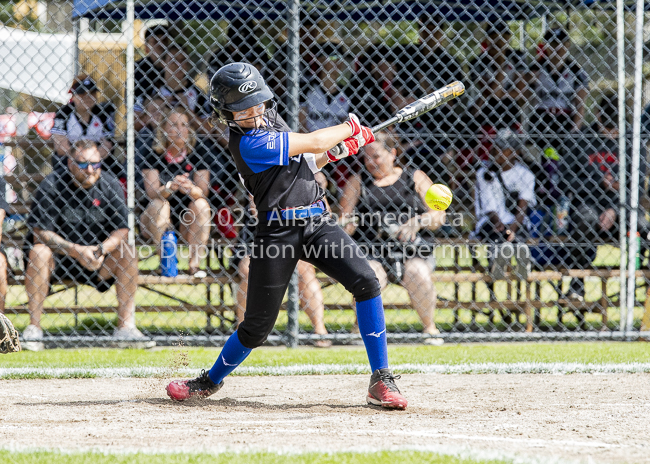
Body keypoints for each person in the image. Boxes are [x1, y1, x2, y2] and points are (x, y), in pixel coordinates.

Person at [166, 62, 408, 410]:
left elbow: (306, 161)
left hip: (317, 221)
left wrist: (339, 150)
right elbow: (311, 140)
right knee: (257, 327)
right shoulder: (249, 142)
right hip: (276, 231)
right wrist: (350, 128)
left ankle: (381, 378)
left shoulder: (269, 120)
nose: (254, 113)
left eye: (257, 104)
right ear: (227, 114)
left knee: (366, 281)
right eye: (243, 110)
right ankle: (209, 380)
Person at [23, 140, 150, 351]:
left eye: (95, 164)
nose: (90, 170)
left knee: (127, 250)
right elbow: (40, 232)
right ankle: (34, 330)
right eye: (83, 164)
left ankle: (125, 328)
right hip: (60, 260)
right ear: (70, 163)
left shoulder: (110, 184)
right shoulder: (52, 184)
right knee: (38, 252)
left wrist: (102, 249)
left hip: (98, 259)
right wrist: (77, 251)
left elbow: (122, 229)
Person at [339, 133, 446, 343]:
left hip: (412, 250)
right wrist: (347, 222)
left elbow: (438, 216)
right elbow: (345, 221)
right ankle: (362, 329)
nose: (371, 162)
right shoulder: (358, 182)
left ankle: (430, 328)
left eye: (376, 156)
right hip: (372, 249)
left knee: (418, 273)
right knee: (370, 276)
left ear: (392, 154)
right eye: (366, 157)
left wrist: (419, 221)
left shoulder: (415, 177)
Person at [564, 95, 648, 300]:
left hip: (622, 205)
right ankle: (577, 284)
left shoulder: (632, 140)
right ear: (598, 117)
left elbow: (637, 186)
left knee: (643, 227)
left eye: (615, 130)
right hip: (588, 202)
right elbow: (566, 180)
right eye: (607, 129)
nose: (612, 135)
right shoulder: (582, 139)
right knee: (585, 221)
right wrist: (599, 183)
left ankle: (642, 284)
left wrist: (615, 208)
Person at [139, 108, 212, 277]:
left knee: (201, 204)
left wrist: (190, 187)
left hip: (186, 220)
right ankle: (167, 262)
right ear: (164, 129)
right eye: (174, 124)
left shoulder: (198, 153)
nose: (180, 129)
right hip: (154, 220)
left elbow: (203, 191)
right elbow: (151, 193)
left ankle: (194, 265)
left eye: (184, 125)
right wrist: (170, 187)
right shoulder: (152, 154)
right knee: (159, 204)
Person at [530, 28, 588, 208]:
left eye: (561, 44)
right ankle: (542, 190)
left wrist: (575, 128)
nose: (557, 48)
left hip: (564, 120)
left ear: (567, 45)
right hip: (542, 118)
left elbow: (580, 102)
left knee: (566, 159)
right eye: (552, 44)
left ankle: (562, 193)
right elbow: (525, 96)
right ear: (546, 46)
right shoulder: (537, 68)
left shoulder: (576, 70)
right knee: (540, 158)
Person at [473, 129, 535, 279]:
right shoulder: (484, 173)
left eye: (503, 149)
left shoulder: (526, 175)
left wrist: (512, 228)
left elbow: (523, 206)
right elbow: (489, 206)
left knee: (517, 235)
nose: (497, 151)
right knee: (494, 232)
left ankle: (522, 258)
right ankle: (496, 261)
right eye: (496, 147)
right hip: (490, 220)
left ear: (515, 153)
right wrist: (499, 224)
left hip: (515, 221)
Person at [469, 20, 528, 133]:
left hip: (511, 109)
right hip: (486, 110)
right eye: (495, 37)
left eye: (503, 37)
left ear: (509, 38)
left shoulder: (517, 57)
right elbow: (490, 91)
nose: (499, 41)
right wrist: (501, 65)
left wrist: (499, 93)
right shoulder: (477, 62)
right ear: (487, 39)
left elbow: (520, 91)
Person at [51, 75, 115, 173]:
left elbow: (107, 146)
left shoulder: (104, 113)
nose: (88, 97)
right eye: (82, 93)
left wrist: (91, 160)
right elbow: (61, 147)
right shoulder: (63, 113)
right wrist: (81, 160)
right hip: (70, 161)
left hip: (98, 161)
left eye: (92, 93)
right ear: (73, 96)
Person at [134, 24, 170, 130]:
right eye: (155, 42)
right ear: (146, 48)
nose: (161, 46)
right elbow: (136, 110)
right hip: (147, 125)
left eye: (164, 41)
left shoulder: (175, 66)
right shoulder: (139, 70)